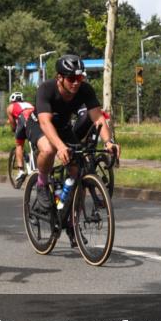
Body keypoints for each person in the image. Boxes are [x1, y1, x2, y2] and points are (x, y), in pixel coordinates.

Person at [25, 54, 119, 219]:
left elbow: (98, 117)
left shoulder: (84, 89)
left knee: (78, 169)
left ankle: (70, 217)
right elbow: (45, 123)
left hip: (63, 127)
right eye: (72, 78)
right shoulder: (46, 89)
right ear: (59, 78)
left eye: (80, 77)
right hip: (39, 124)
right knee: (48, 149)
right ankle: (41, 183)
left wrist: (109, 142)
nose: (76, 82)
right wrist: (60, 147)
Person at [6, 91, 35, 183]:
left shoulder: (10, 107)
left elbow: (12, 123)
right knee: (35, 143)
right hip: (35, 119)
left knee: (19, 145)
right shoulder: (29, 104)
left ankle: (21, 171)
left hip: (24, 119)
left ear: (12, 100)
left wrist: (14, 130)